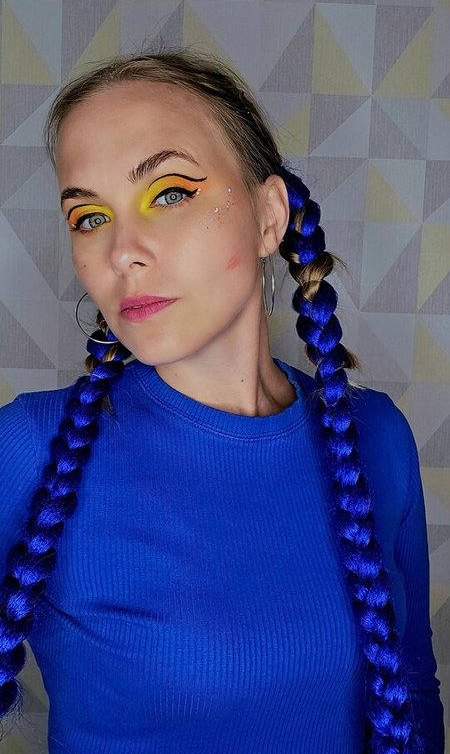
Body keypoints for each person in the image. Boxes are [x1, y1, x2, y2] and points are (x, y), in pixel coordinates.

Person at [0, 50, 444, 754]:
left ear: (269, 217)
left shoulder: (377, 437)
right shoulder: (30, 446)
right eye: (88, 216)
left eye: (168, 194)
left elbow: (414, 688)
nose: (122, 252)